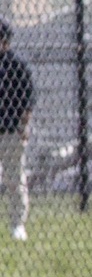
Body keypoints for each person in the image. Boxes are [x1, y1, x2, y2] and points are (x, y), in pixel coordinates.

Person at [0, 20, 35, 242]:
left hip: (11, 131)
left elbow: (28, 101)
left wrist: (24, 126)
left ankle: (17, 224)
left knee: (14, 178)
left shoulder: (17, 66)